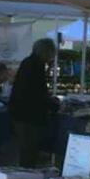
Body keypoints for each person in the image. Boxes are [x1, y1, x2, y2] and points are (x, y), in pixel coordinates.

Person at [8, 38, 58, 168]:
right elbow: (37, 93)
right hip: (29, 117)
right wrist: (53, 103)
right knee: (29, 152)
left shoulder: (28, 63)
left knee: (26, 152)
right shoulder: (36, 66)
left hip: (20, 114)